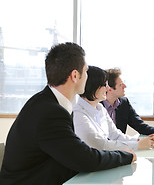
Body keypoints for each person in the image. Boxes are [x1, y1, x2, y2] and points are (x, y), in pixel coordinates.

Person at [0, 43, 135, 185]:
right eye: (86, 71)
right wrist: (125, 156)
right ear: (75, 75)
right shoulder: (50, 112)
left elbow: (73, 154)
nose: (87, 76)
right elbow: (84, 159)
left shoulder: (49, 102)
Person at [73, 66, 154, 151]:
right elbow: (101, 145)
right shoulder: (78, 114)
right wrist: (137, 145)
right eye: (104, 85)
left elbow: (116, 135)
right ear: (93, 86)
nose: (107, 88)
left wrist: (140, 141)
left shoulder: (100, 108)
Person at [102, 68, 154, 139]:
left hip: (119, 147)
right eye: (121, 85)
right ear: (109, 89)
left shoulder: (124, 103)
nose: (125, 86)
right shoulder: (97, 106)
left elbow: (140, 126)